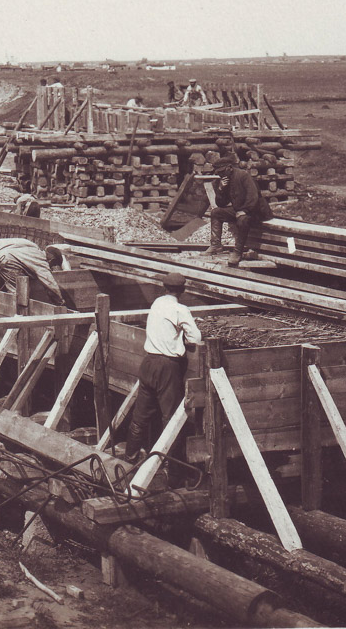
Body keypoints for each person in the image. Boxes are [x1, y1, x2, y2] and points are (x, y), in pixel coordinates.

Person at [124, 273, 201, 462]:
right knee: (171, 418)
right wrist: (183, 339)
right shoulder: (180, 309)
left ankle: (129, 457)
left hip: (148, 363)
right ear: (182, 290)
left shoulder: (156, 304)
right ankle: (171, 468)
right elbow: (195, 338)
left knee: (140, 416)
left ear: (164, 288)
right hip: (167, 367)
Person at [203, 157, 274, 265]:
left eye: (222, 172)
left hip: (256, 211)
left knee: (242, 220)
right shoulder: (224, 180)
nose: (220, 175)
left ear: (229, 168)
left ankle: (237, 252)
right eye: (218, 173)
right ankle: (216, 245)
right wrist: (221, 189)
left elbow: (253, 196)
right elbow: (221, 204)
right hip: (240, 209)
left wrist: (245, 210)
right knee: (216, 213)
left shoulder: (243, 175)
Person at [0, 237, 63, 306]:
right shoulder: (41, 260)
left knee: (8, 286)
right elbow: (48, 281)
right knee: (18, 292)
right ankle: (13, 313)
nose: (51, 267)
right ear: (52, 259)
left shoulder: (33, 248)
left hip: (0, 255)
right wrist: (60, 301)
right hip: (8, 261)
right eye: (53, 264)